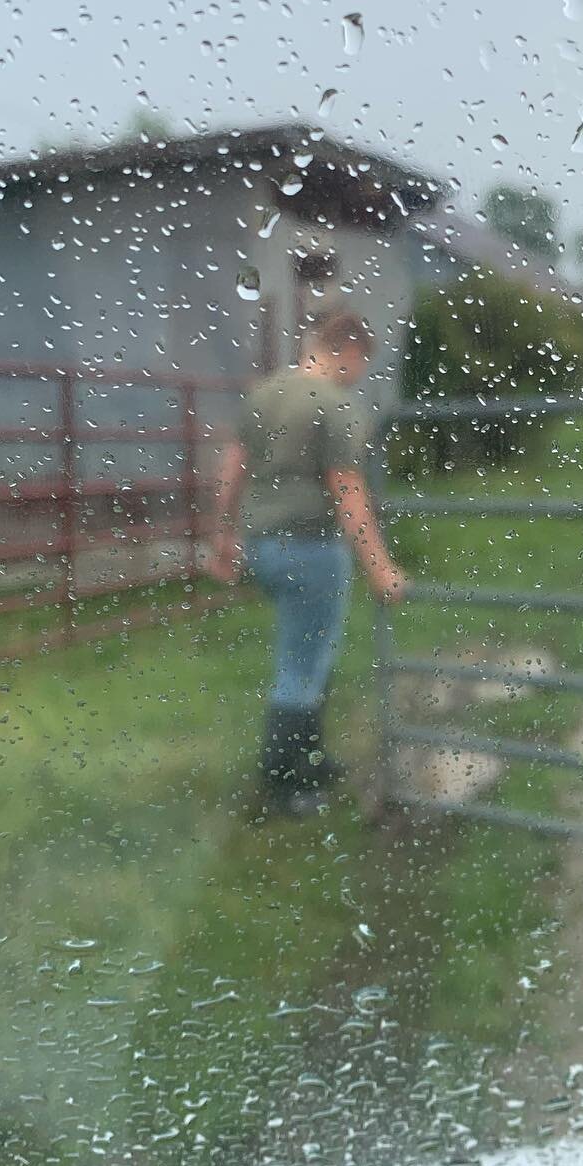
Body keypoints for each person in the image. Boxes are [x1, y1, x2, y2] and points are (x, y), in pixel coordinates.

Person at [211, 308, 407, 816]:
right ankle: (284, 786)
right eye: (362, 362)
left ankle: (314, 761)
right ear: (346, 351)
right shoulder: (337, 407)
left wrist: (222, 536)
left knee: (311, 655)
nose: (361, 373)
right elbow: (347, 489)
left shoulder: (263, 394)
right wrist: (379, 566)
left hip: (264, 547)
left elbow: (232, 468)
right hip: (311, 549)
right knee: (301, 666)